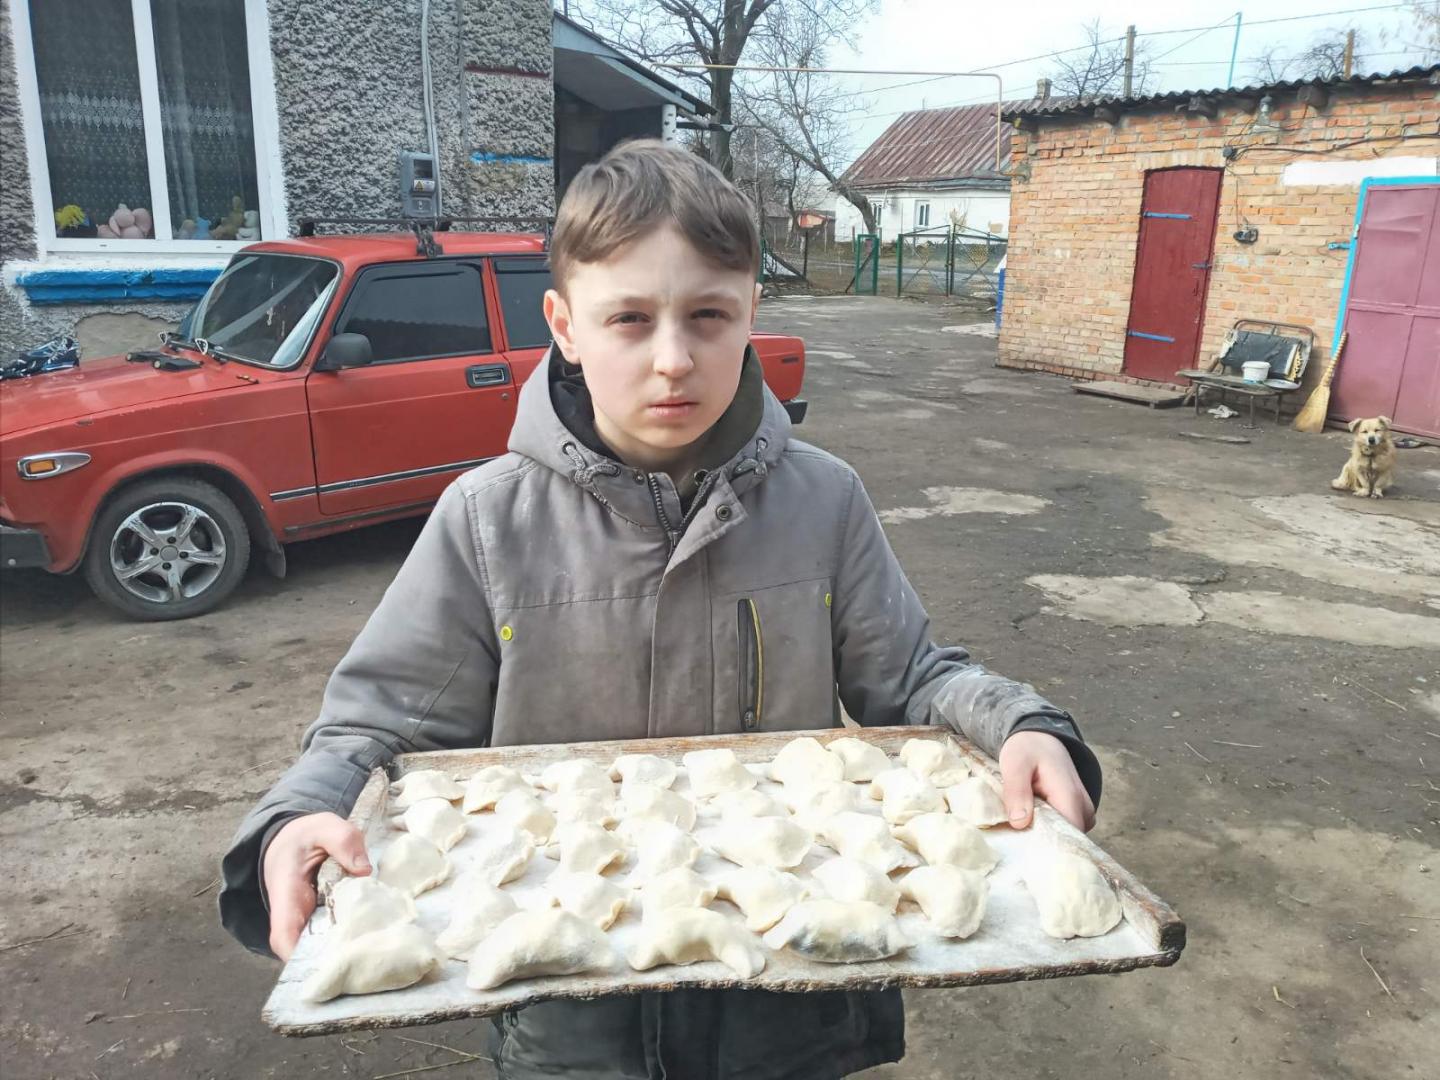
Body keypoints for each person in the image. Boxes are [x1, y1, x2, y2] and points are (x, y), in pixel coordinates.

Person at [220, 139, 1102, 1079]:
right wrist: (303, 816)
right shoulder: (488, 523)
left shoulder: (823, 501)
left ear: (751, 311)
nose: (673, 360)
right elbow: (377, 726)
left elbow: (914, 678)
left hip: (790, 1014)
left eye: (709, 316)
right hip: (577, 1027)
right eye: (630, 319)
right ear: (564, 325)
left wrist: (1016, 726)